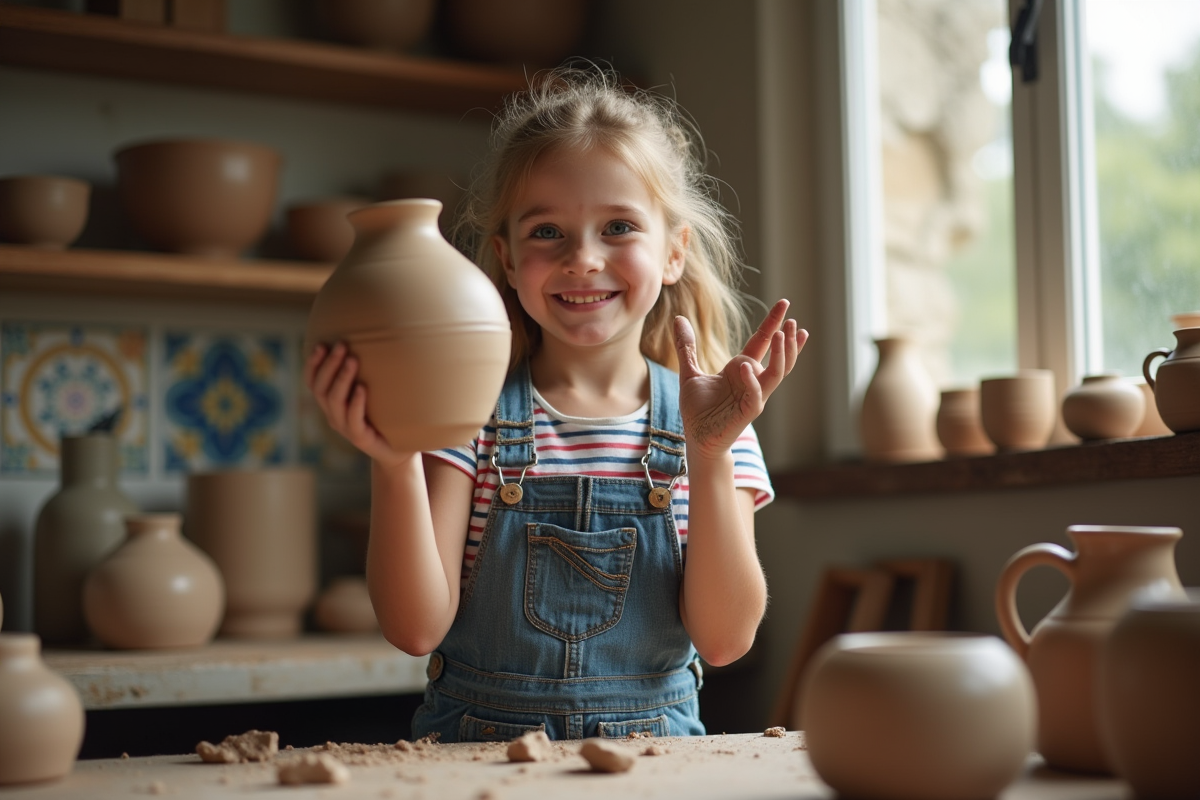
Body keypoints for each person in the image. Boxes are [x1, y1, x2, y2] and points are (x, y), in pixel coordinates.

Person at [305, 65, 808, 742]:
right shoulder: (469, 415)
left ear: (674, 252)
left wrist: (711, 454)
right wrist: (393, 463)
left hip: (652, 770)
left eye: (619, 226)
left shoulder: (715, 422)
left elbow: (724, 641)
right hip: (478, 762)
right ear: (508, 259)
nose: (583, 259)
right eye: (547, 232)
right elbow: (415, 629)